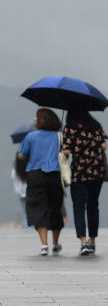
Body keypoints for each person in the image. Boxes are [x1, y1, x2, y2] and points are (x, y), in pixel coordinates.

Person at [18, 108, 64, 256]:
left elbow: (21, 155)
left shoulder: (31, 137)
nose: (35, 121)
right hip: (54, 176)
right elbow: (64, 154)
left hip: (36, 175)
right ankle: (55, 244)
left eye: (36, 119)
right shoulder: (59, 136)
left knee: (38, 208)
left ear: (41, 121)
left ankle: (44, 244)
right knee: (55, 208)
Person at [62, 109, 106, 256]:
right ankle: (92, 240)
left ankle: (83, 242)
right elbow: (104, 146)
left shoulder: (70, 128)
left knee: (78, 207)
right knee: (93, 205)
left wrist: (67, 151)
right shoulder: (96, 126)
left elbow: (66, 151)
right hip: (96, 171)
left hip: (79, 173)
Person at [12, 156, 29, 228]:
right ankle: (31, 228)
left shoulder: (15, 170)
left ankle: (27, 228)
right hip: (30, 193)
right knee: (32, 213)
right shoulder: (29, 168)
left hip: (21, 194)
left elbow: (14, 180)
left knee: (25, 213)